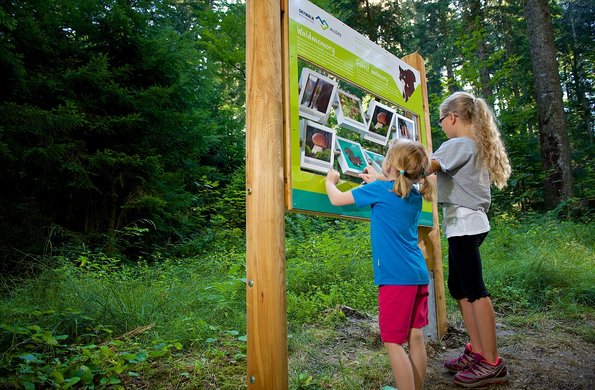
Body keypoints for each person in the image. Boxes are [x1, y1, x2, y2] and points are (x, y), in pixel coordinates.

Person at [326, 140, 435, 390]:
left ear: (390, 164)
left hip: (396, 279)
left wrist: (330, 181)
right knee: (416, 336)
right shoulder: (415, 195)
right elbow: (394, 189)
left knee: (393, 342)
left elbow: (337, 199)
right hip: (418, 275)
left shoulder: (379, 191)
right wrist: (378, 179)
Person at [429, 91, 512, 388]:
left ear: (452, 118)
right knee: (459, 287)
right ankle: (478, 351)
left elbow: (425, 168)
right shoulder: (472, 144)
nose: (441, 126)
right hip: (467, 223)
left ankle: (491, 362)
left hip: (464, 222)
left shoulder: (457, 144)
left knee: (475, 290)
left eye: (441, 121)